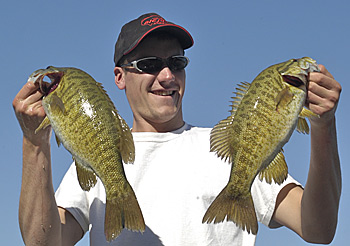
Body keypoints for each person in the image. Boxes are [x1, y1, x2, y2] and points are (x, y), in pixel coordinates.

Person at [13, 13, 341, 246]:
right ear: (119, 77)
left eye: (177, 63)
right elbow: (43, 243)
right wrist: (34, 142)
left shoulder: (233, 150)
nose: (168, 76)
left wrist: (324, 126)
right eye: (150, 65)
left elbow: (318, 229)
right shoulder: (96, 160)